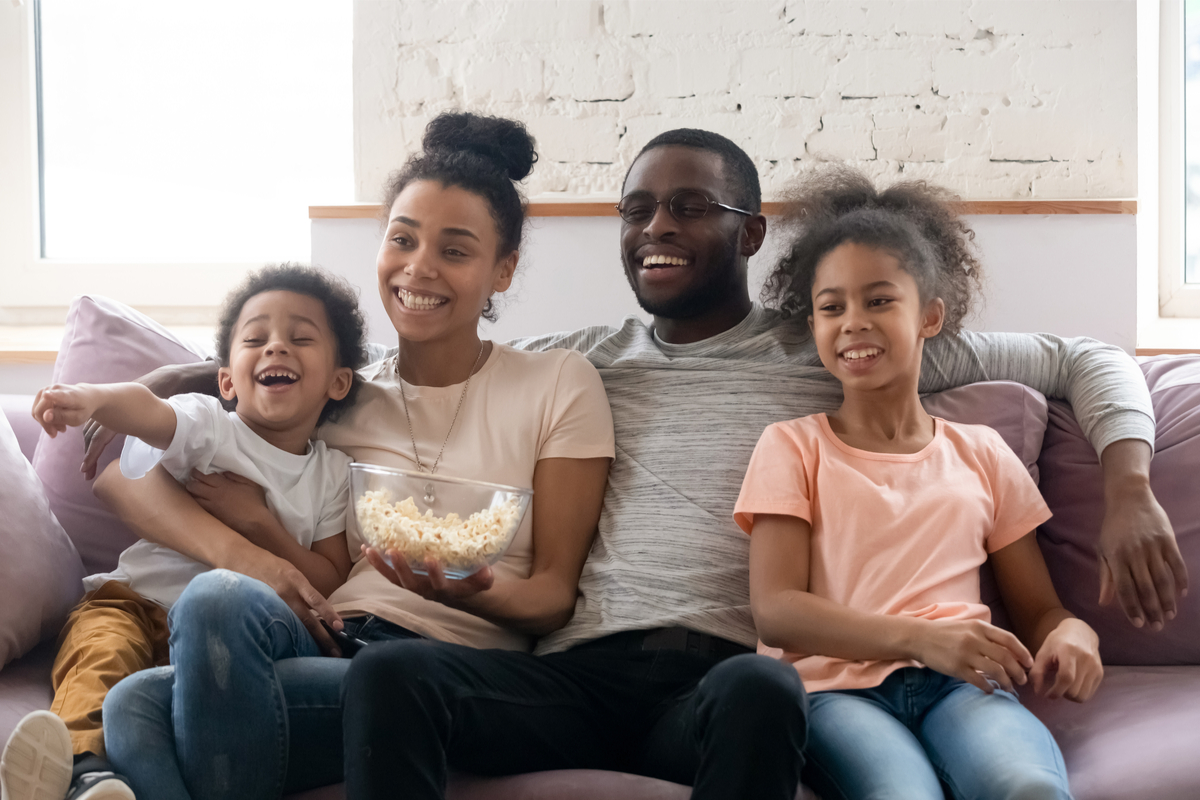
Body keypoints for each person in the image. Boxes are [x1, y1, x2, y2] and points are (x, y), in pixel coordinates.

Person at [94, 128, 1175, 798]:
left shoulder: (837, 340)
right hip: (572, 667)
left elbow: (1083, 357)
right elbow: (346, 366)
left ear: (752, 236)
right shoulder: (578, 360)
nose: (655, 226)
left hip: (720, 673)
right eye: (636, 209)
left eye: (689, 206)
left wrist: (1127, 484)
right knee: (391, 670)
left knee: (757, 685)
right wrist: (197, 383)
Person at [92, 112, 614, 800]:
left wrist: (466, 588)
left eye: (455, 251)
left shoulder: (557, 382)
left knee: (146, 708)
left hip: (441, 669)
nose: (418, 267)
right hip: (325, 636)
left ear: (503, 269)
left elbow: (552, 597)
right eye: (402, 239)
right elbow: (121, 474)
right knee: (190, 629)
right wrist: (179, 384)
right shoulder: (340, 391)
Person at [736, 168, 1102, 800]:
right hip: (835, 696)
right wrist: (921, 638)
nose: (853, 322)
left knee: (1028, 788)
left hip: (963, 688)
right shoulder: (791, 446)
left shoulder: (982, 451)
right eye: (832, 307)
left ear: (930, 316)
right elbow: (778, 611)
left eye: (879, 300)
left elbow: (1040, 609)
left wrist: (1076, 634)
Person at [0, 264, 366, 800]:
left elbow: (328, 579)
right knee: (99, 663)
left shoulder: (332, 472)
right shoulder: (212, 428)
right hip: (130, 602)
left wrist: (260, 522)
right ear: (226, 380)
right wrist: (96, 397)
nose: (276, 349)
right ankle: (84, 774)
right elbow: (150, 412)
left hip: (217, 646)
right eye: (256, 338)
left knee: (156, 712)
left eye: (301, 338)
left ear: (338, 381)